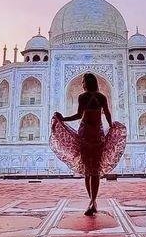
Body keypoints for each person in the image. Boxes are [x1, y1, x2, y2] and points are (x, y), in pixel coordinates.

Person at [50, 73, 127, 215]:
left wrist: (64, 119)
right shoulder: (101, 97)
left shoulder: (83, 97)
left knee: (87, 170)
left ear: (87, 83)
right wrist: (111, 126)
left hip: (85, 134)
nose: (82, 84)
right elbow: (107, 113)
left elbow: (79, 115)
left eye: (83, 82)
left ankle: (92, 201)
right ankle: (93, 201)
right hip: (97, 134)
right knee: (95, 170)